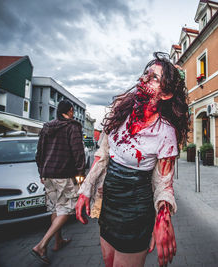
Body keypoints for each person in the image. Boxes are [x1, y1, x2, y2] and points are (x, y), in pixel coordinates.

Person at [75, 52, 189, 267]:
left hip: (136, 210)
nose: (144, 79)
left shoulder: (165, 132)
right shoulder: (121, 111)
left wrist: (163, 217)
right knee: (109, 262)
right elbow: (102, 155)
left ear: (165, 94)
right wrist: (85, 191)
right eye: (145, 74)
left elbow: (164, 182)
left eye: (154, 78)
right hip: (108, 204)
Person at [32, 100, 85, 265]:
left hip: (48, 174)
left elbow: (39, 152)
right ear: (70, 111)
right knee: (67, 209)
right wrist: (80, 175)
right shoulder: (72, 127)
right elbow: (78, 153)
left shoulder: (47, 127)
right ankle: (41, 245)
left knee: (55, 207)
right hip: (64, 174)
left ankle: (58, 240)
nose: (73, 113)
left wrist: (42, 171)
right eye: (72, 111)